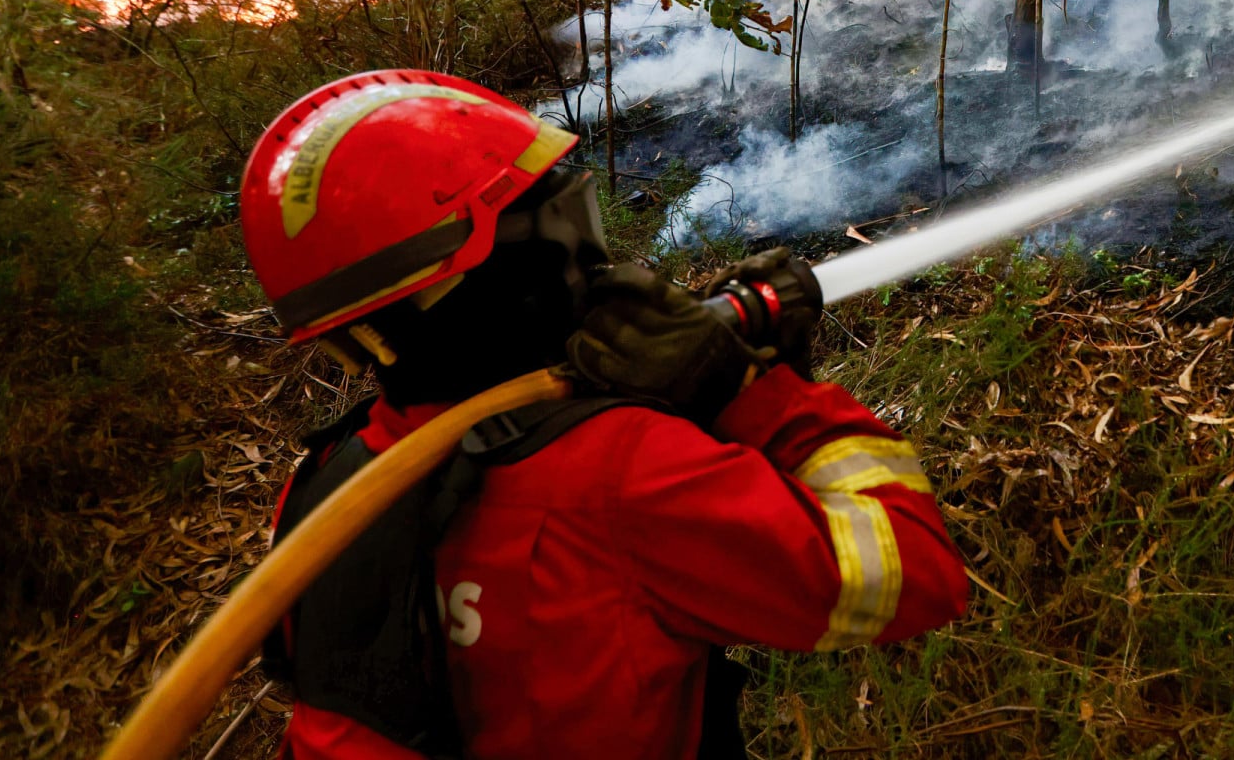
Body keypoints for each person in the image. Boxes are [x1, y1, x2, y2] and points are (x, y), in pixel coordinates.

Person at [239, 69, 968, 759]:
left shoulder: (322, 487)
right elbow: (916, 571)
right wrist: (744, 394)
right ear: (499, 272)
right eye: (568, 222)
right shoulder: (623, 476)